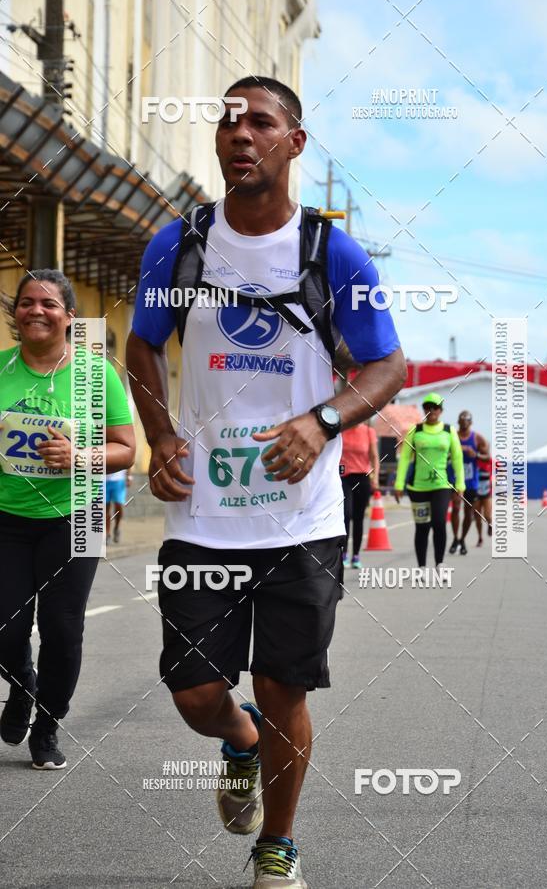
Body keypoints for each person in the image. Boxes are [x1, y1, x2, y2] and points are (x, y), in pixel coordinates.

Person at [126, 76, 406, 889]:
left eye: (260, 123)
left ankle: (276, 846)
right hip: (202, 517)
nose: (239, 134)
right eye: (227, 122)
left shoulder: (329, 253)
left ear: (294, 143)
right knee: (195, 693)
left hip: (302, 519)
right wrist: (162, 435)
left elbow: (388, 365)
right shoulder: (177, 244)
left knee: (285, 687)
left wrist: (321, 422)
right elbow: (144, 346)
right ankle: (237, 742)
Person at [0, 269, 135, 769]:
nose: (36, 310)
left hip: (75, 516)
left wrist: (79, 456)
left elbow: (126, 449)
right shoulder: (0, 369)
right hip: (6, 517)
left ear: (69, 317)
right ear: (16, 314)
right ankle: (21, 688)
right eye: (27, 302)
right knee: (6, 632)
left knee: (62, 628)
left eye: (49, 304)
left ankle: (47, 727)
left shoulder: (96, 375)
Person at [393, 393, 464, 577]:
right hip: (418, 487)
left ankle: (439, 563)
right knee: (422, 526)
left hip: (442, 486)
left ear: (440, 411)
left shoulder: (449, 431)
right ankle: (422, 567)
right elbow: (404, 459)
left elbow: (457, 458)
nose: (431, 411)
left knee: (439, 522)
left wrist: (460, 484)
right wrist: (399, 484)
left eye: (435, 407)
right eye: (427, 407)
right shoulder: (414, 431)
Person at [448, 410, 490, 556]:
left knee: (468, 512)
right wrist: (455, 451)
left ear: (471, 422)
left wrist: (476, 454)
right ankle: (455, 538)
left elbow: (487, 457)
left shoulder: (478, 438)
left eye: (467, 421)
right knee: (455, 507)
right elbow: (444, 452)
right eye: (462, 420)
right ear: (458, 422)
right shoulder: (452, 436)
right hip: (454, 478)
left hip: (471, 481)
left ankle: (462, 540)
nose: (464, 423)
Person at [340, 421, 379, 568]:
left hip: (363, 477)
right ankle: (343, 553)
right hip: (344, 478)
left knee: (359, 517)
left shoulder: (368, 431)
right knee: (346, 514)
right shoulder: (341, 430)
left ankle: (356, 555)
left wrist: (375, 478)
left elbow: (374, 456)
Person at [106, 468, 132, 543]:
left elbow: (128, 460)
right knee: (105, 509)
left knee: (118, 506)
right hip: (103, 480)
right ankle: (107, 534)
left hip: (119, 480)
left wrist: (129, 477)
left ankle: (116, 527)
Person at [474, 455, 493, 546]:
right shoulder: (475, 460)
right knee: (477, 518)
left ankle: (490, 525)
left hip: (487, 493)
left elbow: (500, 470)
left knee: (487, 515)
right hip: (476, 493)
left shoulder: (490, 460)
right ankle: (480, 538)